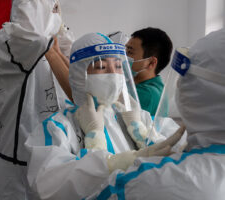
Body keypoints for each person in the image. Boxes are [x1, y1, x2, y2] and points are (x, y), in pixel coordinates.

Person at [24, 32, 184, 200]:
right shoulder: (58, 127)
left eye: (118, 66)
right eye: (101, 67)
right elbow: (47, 185)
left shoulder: (138, 118)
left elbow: (179, 152)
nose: (114, 74)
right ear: (80, 75)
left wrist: (145, 135)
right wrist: (109, 164)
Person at [83, 28, 225, 200]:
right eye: (102, 66)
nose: (114, 72)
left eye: (120, 63)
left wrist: (96, 141)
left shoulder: (156, 182)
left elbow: (93, 192)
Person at [0, 0, 74, 199]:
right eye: (50, 10)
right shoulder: (13, 41)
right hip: (15, 170)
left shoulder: (44, 46)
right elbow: (75, 89)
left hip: (50, 162)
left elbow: (70, 56)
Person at [125, 27, 173, 116]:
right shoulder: (152, 86)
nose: (123, 56)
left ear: (151, 62)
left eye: (130, 52)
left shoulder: (147, 94)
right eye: (125, 50)